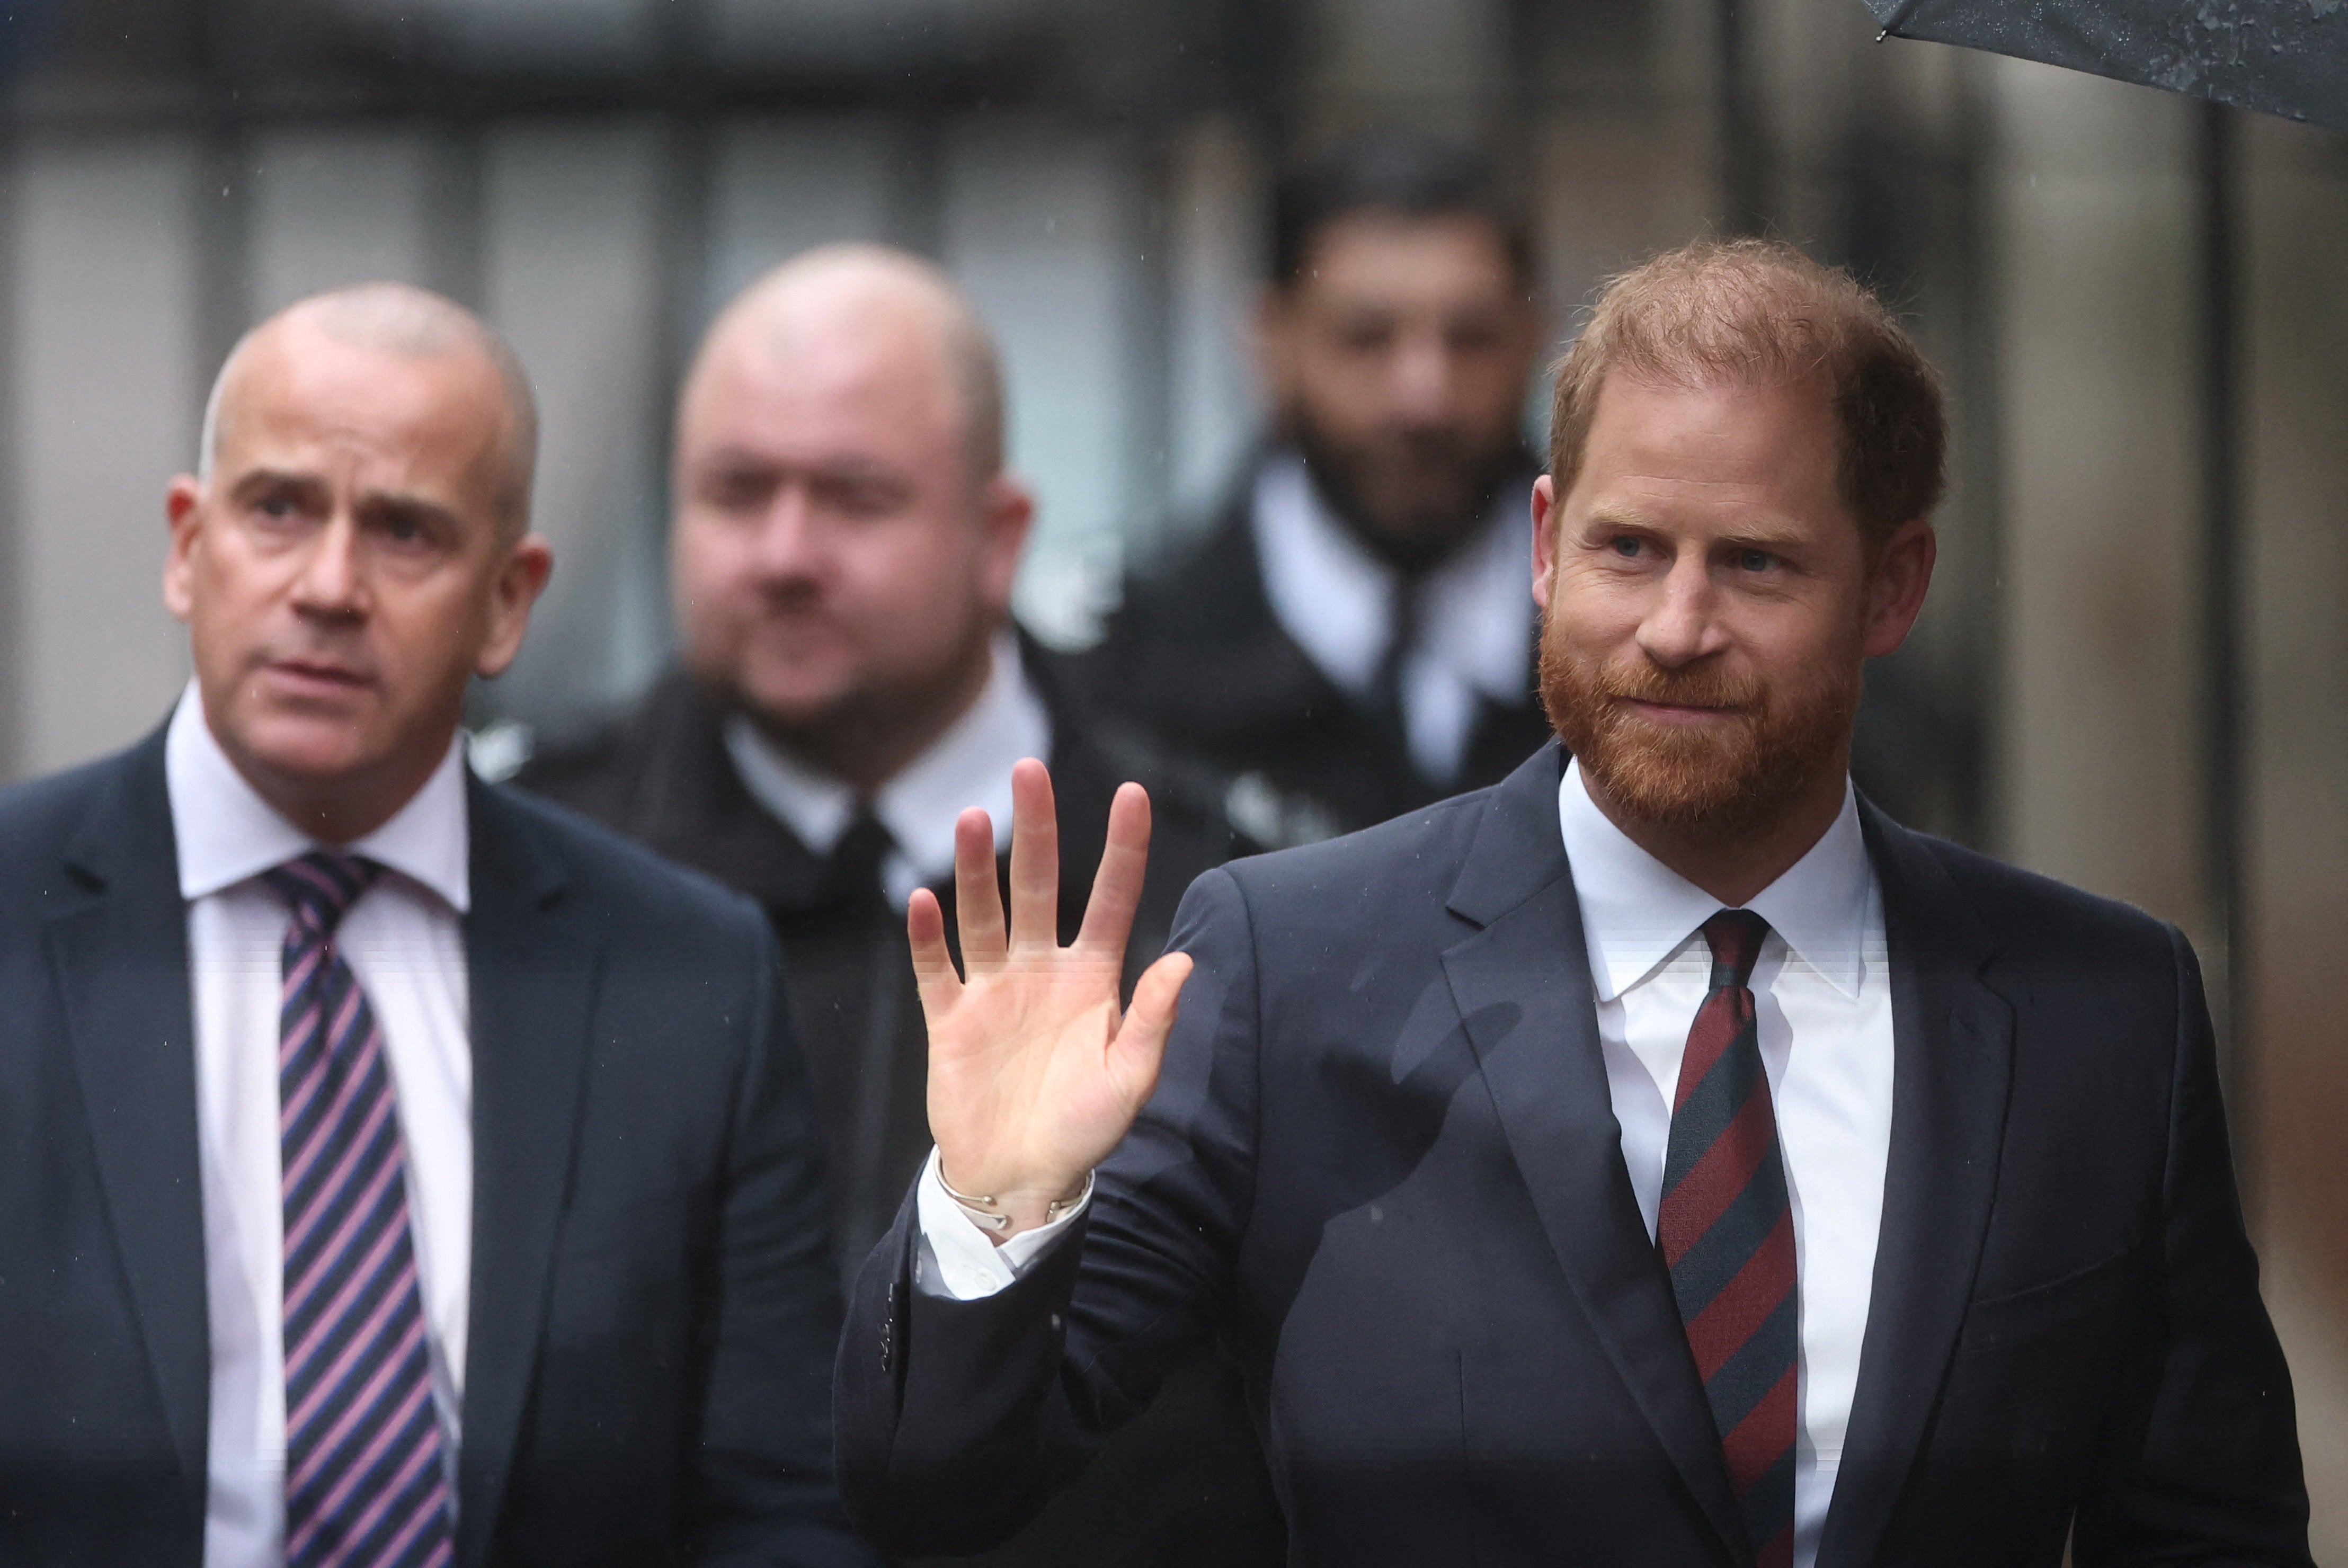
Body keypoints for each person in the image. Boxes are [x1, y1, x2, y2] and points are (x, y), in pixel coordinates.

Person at [834, 240, 2314, 1566]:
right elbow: (939, 1491)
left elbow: (2206, 1528)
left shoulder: (2099, 1014)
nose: (1678, 627)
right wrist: (995, 1213)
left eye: (1756, 564)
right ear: (1545, 544)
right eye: (1627, 550)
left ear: (1893, 586)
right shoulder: (1295, 965)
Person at [0, 283, 871, 1567]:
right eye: (278, 509)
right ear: (188, 547)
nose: (330, 586)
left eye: (405, 531)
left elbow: (775, 1502)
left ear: (509, 602)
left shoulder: (686, 977)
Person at [513, 246, 1281, 1567]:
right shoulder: (535, 873)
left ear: (999, 539)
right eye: (734, 492)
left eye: (854, 498)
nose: (784, 554)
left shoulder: (1218, 900)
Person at [1071, 130, 1553, 847]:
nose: (1425, 396)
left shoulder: (1633, 652)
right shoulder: (1129, 678)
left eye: (1470, 336)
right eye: (1366, 337)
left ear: (1532, 339)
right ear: (1272, 342)